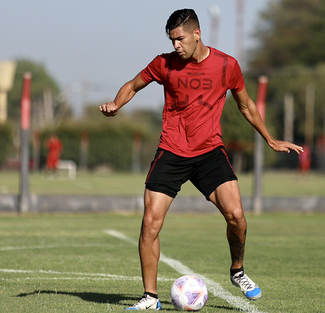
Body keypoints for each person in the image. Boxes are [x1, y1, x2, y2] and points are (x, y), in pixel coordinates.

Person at [100, 9, 303, 310]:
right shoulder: (163, 64)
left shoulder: (226, 66)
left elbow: (245, 105)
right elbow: (132, 85)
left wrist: (270, 139)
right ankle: (150, 297)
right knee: (150, 224)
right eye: (172, 41)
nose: (176, 46)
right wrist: (117, 104)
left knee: (237, 217)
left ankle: (237, 270)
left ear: (197, 34)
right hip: (171, 149)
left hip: (209, 152)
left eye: (180, 39)